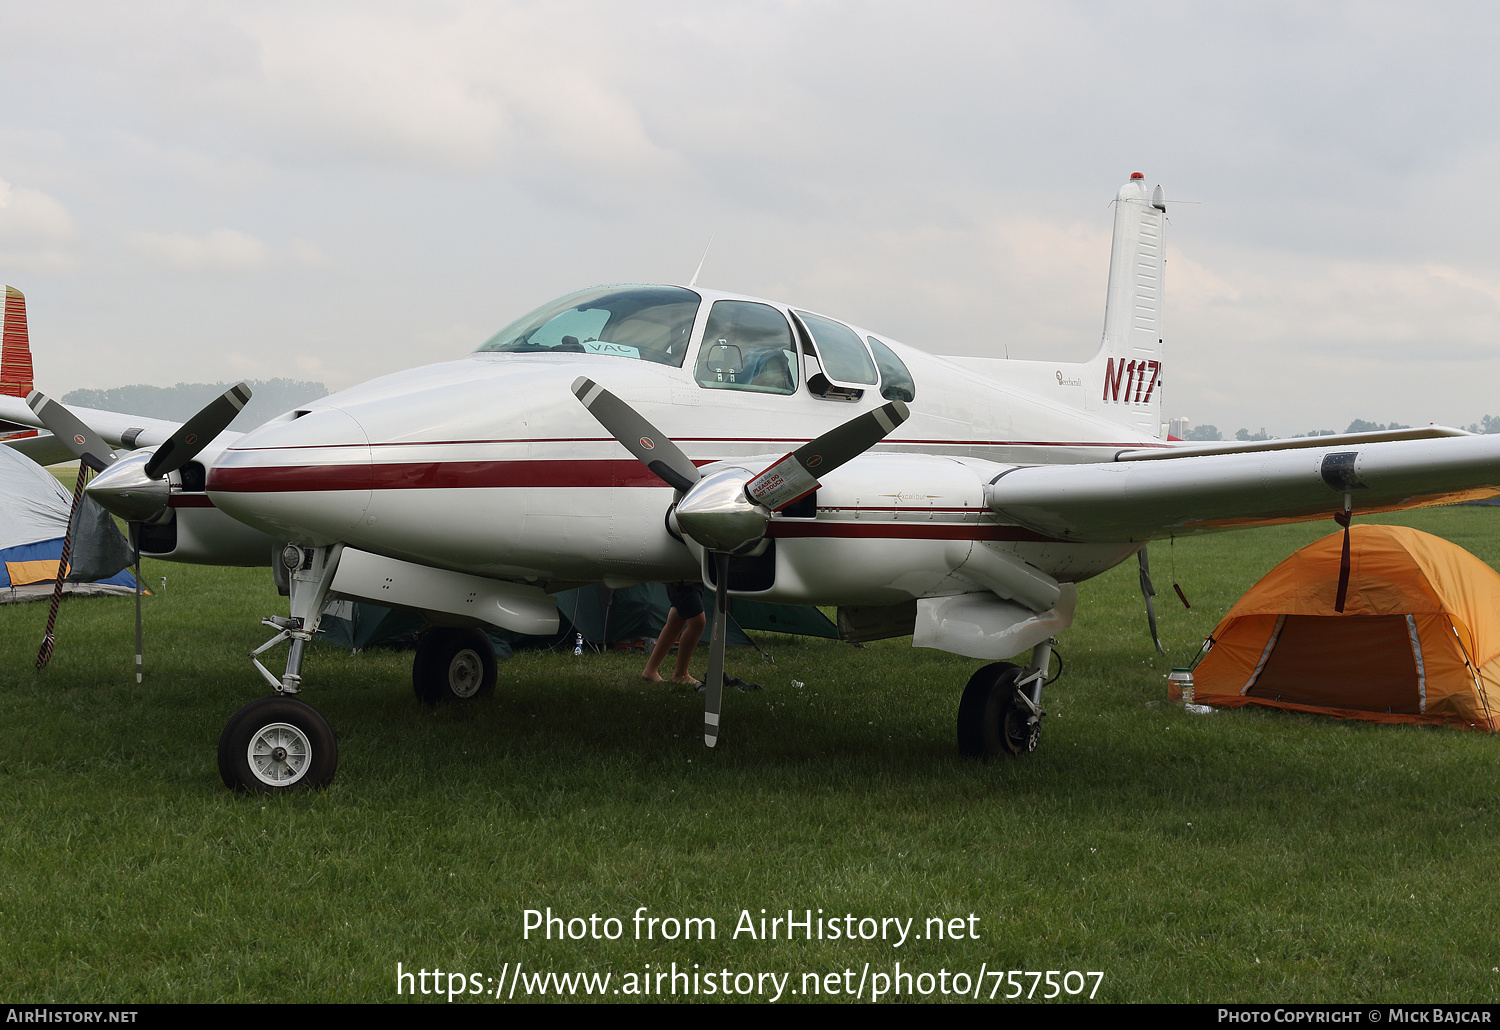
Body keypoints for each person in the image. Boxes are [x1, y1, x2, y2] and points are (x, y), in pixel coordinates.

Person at [641, 582, 706, 686]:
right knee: (697, 622)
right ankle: (681, 674)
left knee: (676, 619)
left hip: (692, 578)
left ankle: (650, 670)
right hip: (683, 578)